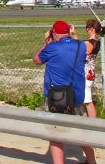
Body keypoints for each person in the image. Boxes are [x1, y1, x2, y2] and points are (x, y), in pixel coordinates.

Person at [34, 21, 95, 164]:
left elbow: (36, 60)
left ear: (54, 33)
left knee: (55, 134)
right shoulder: (81, 46)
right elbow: (76, 45)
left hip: (56, 97)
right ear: (68, 31)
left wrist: (46, 43)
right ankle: (91, 161)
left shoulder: (52, 47)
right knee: (81, 132)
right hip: (76, 96)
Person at [71, 19, 105, 118]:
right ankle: (86, 121)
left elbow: (77, 48)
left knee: (88, 101)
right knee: (83, 100)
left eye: (87, 28)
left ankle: (93, 124)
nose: (86, 29)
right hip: (89, 72)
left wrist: (73, 34)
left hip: (86, 73)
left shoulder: (89, 42)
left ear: (91, 29)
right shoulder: (97, 41)